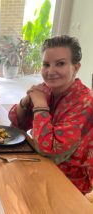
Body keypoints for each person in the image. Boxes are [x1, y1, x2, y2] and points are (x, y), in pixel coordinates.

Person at [8, 35, 93, 194]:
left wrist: (40, 105)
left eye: (60, 64)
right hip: (40, 165)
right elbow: (16, 121)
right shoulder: (49, 91)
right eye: (46, 64)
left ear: (76, 67)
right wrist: (27, 100)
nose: (50, 71)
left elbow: (49, 149)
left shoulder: (85, 102)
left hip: (68, 183)